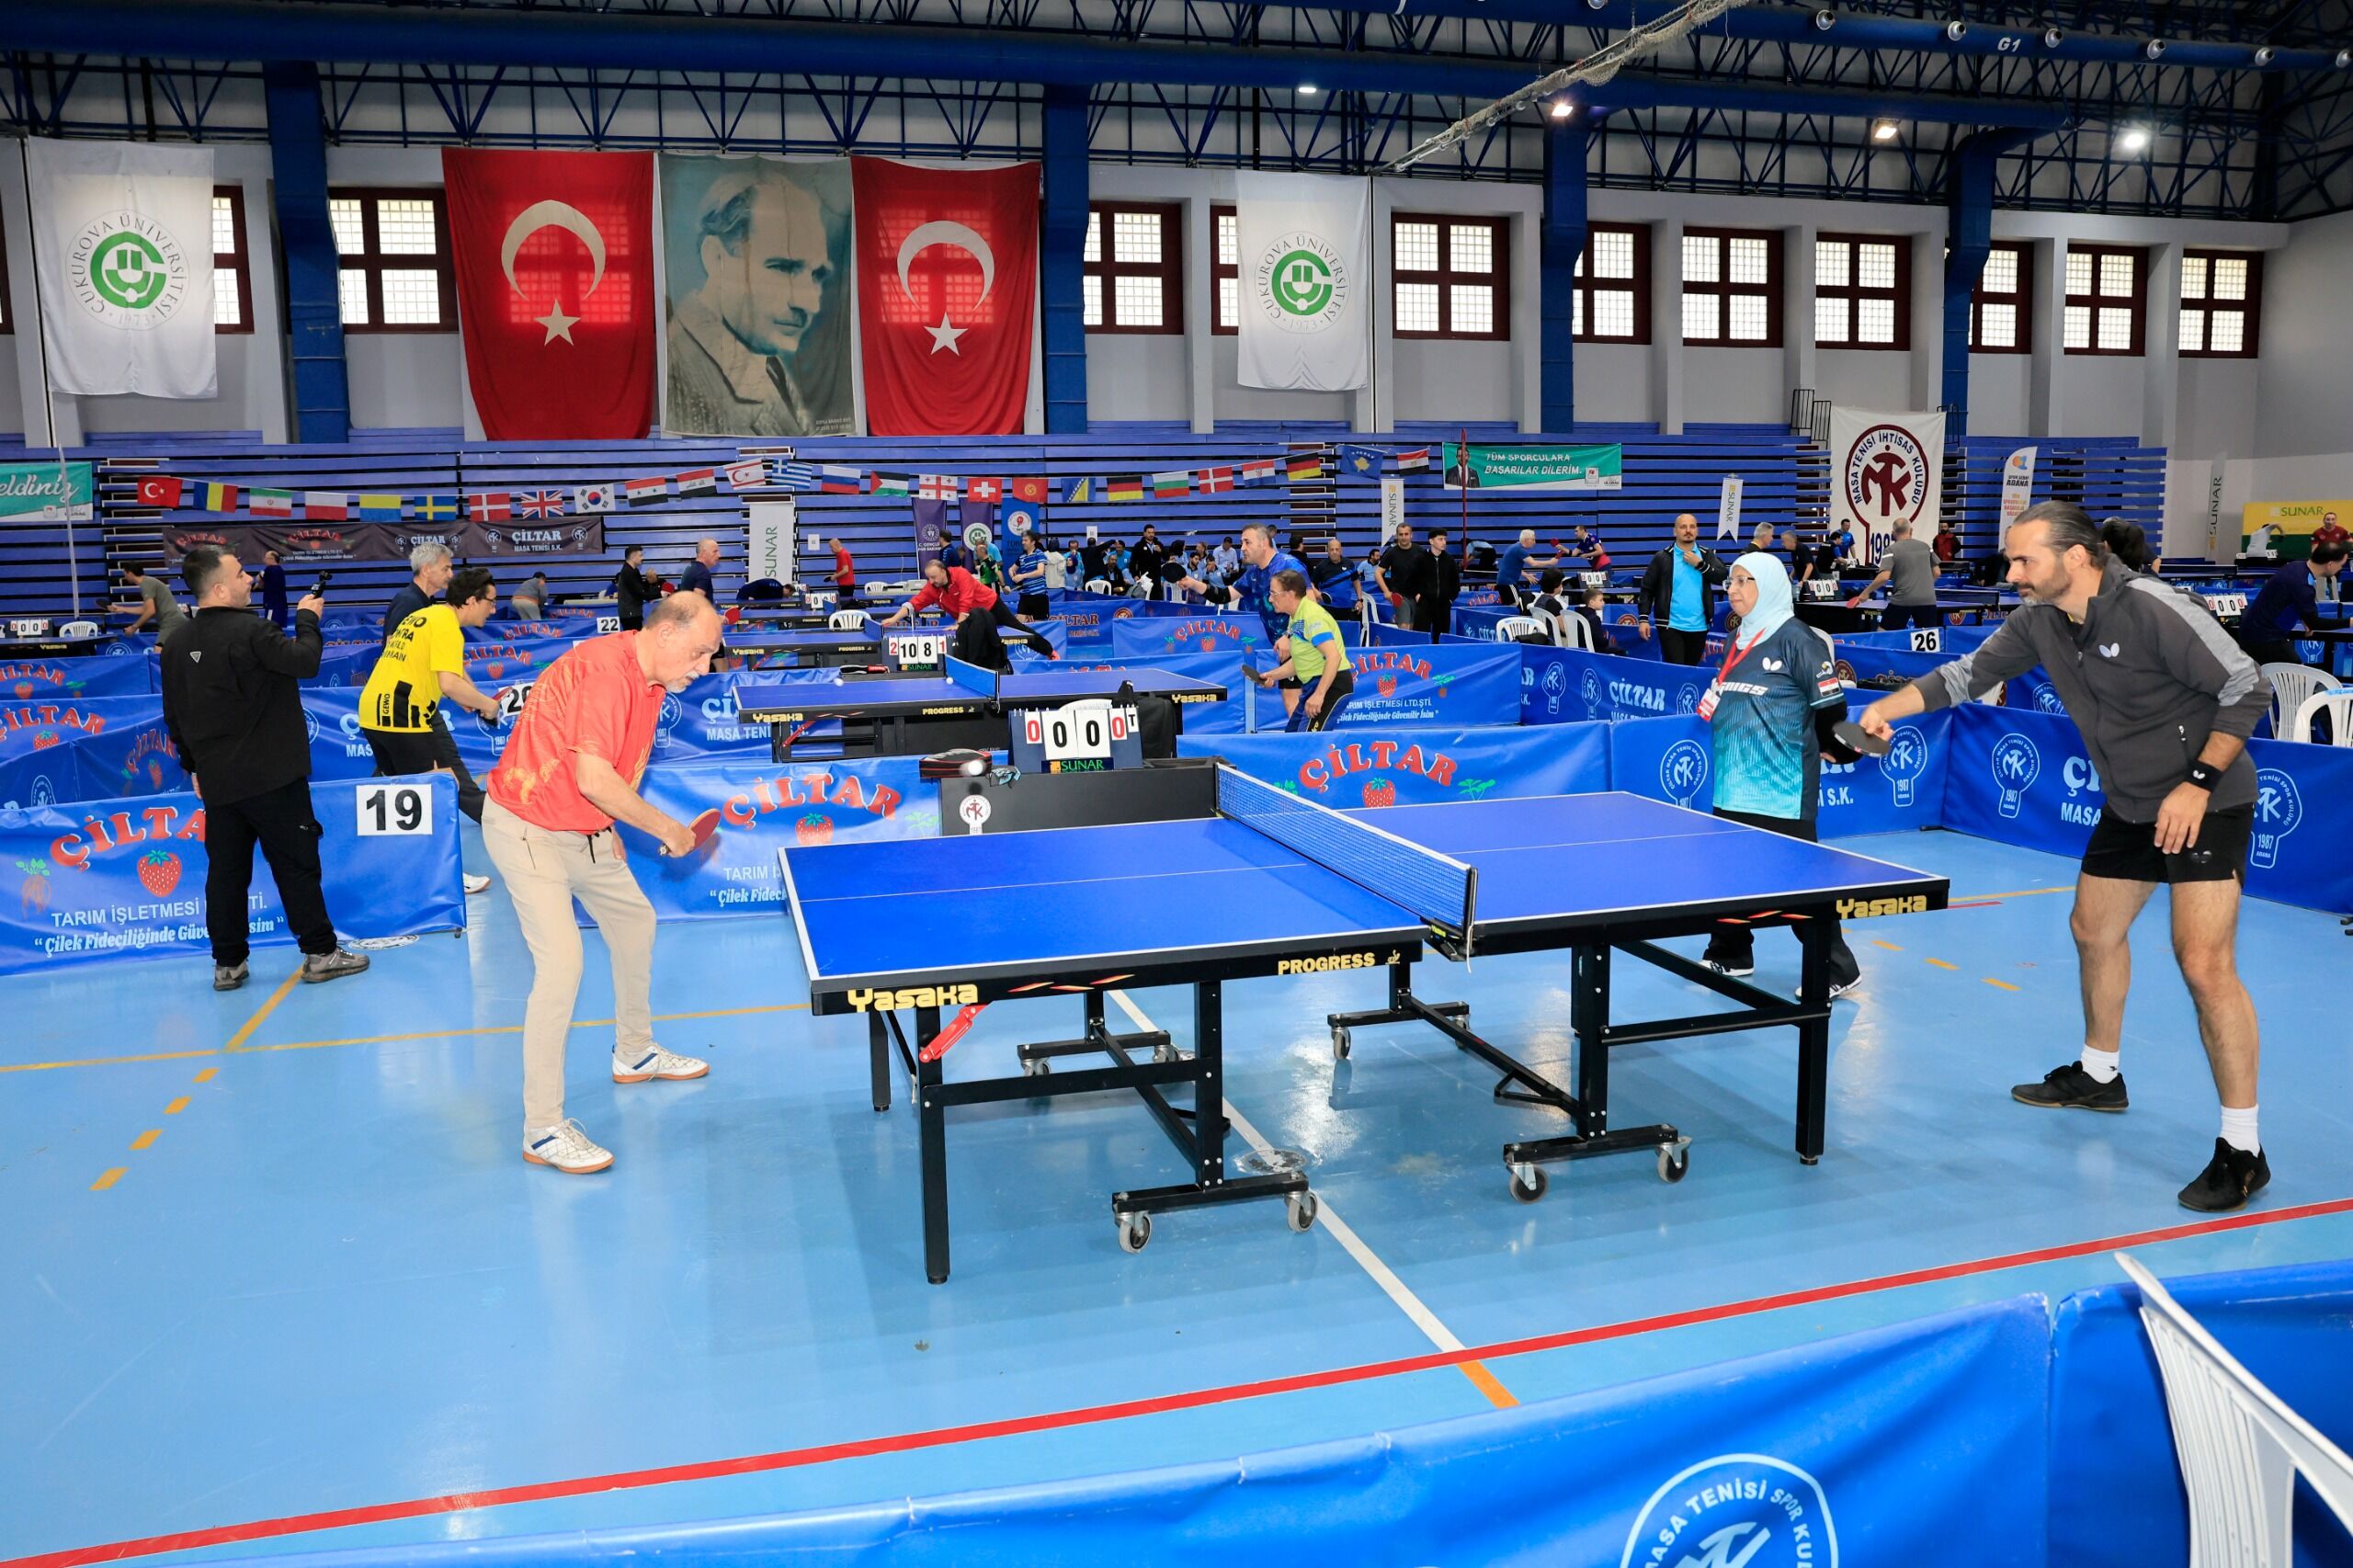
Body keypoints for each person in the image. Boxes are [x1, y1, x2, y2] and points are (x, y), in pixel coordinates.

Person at [1856, 502, 2273, 1212]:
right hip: (2131, 801)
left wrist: (2198, 784)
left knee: (2204, 963)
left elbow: (2248, 685)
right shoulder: (2039, 620)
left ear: (2076, 558)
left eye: (2025, 560)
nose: (2012, 572)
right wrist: (1884, 710)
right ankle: (2100, 1074)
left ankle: (2243, 1149)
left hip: (2207, 797)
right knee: (2093, 929)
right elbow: (1964, 676)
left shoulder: (2152, 608)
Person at [483, 593, 725, 1176]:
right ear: (666, 634)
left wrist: (609, 823)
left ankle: (635, 1052)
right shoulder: (606, 674)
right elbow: (594, 778)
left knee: (635, 922)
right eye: (699, 653)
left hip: (586, 830)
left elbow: (608, 774)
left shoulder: (652, 682)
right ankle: (542, 1128)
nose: (704, 668)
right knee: (562, 967)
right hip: (529, 829)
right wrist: (668, 829)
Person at [158, 547, 369, 993]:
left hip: (219, 781)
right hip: (273, 777)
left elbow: (174, 714)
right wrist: (308, 619)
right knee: (296, 866)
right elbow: (305, 661)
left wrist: (193, 765)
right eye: (240, 574)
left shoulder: (175, 644)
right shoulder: (254, 630)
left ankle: (228, 963)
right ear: (219, 588)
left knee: (226, 874)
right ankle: (320, 952)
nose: (249, 579)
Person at [1698, 552, 1862, 997]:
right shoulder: (1737, 638)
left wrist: (1839, 745)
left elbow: (1830, 707)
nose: (1732, 589)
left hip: (1782, 787)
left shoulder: (1798, 639)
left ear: (1769, 585)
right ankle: (1732, 951)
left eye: (1743, 581)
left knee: (1797, 882)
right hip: (1733, 783)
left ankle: (1836, 968)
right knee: (1731, 874)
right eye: (1731, 581)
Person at [665, 165, 847, 437]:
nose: (810, 305)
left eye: (816, 275)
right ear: (716, 259)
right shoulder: (677, 370)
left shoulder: (766, 359)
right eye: (783, 267)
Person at [361, 567, 503, 896]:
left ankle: (399, 870)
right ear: (472, 601)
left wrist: (466, 694)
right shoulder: (447, 627)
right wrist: (487, 704)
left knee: (401, 796)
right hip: (402, 714)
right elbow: (449, 683)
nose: (494, 610)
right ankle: (446, 875)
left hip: (372, 711)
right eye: (491, 602)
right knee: (442, 788)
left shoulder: (426, 616)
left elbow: (439, 672)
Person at [1176, 522, 1309, 716]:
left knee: (1305, 705)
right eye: (1242, 543)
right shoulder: (1253, 573)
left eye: (1247, 542)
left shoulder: (1289, 566)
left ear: (1263, 543)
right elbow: (1224, 595)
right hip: (1287, 649)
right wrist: (1193, 583)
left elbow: (1310, 604)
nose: (1242, 548)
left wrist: (1290, 635)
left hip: (1306, 643)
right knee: (1293, 706)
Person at [1242, 570, 1354, 733]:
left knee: (1308, 742)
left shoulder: (1311, 615)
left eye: (1273, 593)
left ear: (1289, 594)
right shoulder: (1296, 617)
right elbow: (1299, 662)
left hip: (1332, 685)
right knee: (1292, 738)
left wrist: (1319, 695)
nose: (1270, 599)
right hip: (1313, 685)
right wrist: (1271, 675)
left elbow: (1333, 656)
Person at [879, 558, 1055, 656]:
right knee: (977, 642)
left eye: (934, 577)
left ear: (944, 571)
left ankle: (1049, 651)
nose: (931, 581)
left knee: (1019, 630)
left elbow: (966, 601)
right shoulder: (932, 588)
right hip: (972, 616)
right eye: (928, 578)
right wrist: (894, 618)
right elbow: (913, 603)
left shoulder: (961, 574)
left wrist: (959, 623)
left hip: (991, 605)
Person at [1635, 513, 1729, 665]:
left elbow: (1722, 576)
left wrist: (1700, 565)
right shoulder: (1662, 557)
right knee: (1677, 669)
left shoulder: (1706, 555)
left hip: (1699, 626)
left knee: (1691, 670)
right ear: (1675, 531)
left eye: (1692, 526)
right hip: (1670, 626)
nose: (1688, 530)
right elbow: (1647, 589)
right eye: (1683, 527)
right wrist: (1643, 618)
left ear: (1697, 531)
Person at [2237, 541, 2347, 665]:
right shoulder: (2302, 585)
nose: (2341, 568)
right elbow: (2315, 623)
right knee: (2297, 675)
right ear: (2330, 565)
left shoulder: (2296, 567)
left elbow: (2290, 599)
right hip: (2264, 637)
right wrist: (2350, 622)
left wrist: (2305, 618)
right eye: (2341, 565)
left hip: (2254, 631)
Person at [1847, 517, 1941, 631]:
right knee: (1927, 635)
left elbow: (1884, 577)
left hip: (1903, 599)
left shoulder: (1891, 550)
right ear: (1911, 530)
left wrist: (1865, 593)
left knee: (1883, 633)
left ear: (1893, 533)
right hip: (1928, 600)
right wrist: (1923, 587)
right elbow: (1937, 572)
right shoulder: (1926, 547)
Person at [1375, 524, 1429, 630]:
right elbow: (1378, 573)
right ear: (1397, 536)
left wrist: (1422, 592)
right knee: (1404, 626)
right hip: (1399, 595)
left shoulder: (1419, 551)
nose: (1404, 537)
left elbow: (1427, 572)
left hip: (1416, 596)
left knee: (1413, 627)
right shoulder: (1391, 553)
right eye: (1401, 534)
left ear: (1411, 535)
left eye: (1406, 534)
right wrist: (1386, 591)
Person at [116, 560, 187, 641]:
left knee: (158, 648)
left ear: (131, 573)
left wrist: (133, 627)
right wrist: (121, 608)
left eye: (125, 574)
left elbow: (150, 611)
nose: (125, 577)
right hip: (174, 621)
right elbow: (144, 609)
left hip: (171, 622)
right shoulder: (147, 582)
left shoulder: (146, 584)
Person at [1495, 528, 1562, 606]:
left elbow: (1511, 566)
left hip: (1504, 582)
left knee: (1511, 606)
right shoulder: (1519, 550)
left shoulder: (1514, 547)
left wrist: (1526, 575)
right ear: (1527, 540)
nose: (1534, 542)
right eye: (1533, 540)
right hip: (1508, 583)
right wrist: (1550, 562)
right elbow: (1533, 563)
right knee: (1517, 605)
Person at [1419, 528, 1462, 642]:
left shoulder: (1449, 560)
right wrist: (1418, 595)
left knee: (1442, 635)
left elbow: (1455, 583)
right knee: (1422, 633)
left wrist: (1450, 599)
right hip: (1425, 603)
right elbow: (1413, 579)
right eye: (1440, 539)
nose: (1444, 542)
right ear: (1431, 541)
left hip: (1443, 604)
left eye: (1445, 539)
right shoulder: (1420, 558)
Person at [1309, 535, 1359, 616]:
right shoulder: (1321, 566)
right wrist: (1318, 594)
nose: (1334, 552)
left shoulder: (1349, 563)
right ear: (1328, 551)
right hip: (1327, 607)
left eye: (1337, 549)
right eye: (1332, 549)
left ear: (1341, 550)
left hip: (1346, 606)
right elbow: (1311, 584)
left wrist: (1360, 600)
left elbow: (1356, 581)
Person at [612, 544, 655, 631]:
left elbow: (640, 587)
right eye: (640, 556)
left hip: (634, 612)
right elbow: (638, 592)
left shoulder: (634, 571)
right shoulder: (628, 572)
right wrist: (658, 595)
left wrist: (649, 580)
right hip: (630, 614)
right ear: (633, 557)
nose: (642, 558)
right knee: (633, 637)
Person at [1010, 535, 1052, 619]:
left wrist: (1022, 576)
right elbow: (1011, 569)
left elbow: (1040, 572)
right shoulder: (1022, 557)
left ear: (1033, 542)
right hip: (1025, 595)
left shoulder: (1039, 554)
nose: (1023, 542)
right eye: (1022, 540)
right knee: (1019, 622)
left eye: (1026, 540)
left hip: (1039, 595)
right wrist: (1013, 577)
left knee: (1039, 624)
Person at [2313, 512, 2348, 603]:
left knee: (2333, 583)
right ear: (2324, 520)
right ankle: (2320, 604)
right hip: (2322, 563)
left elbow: (2349, 542)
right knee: (2321, 583)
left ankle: (2336, 603)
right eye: (2328, 519)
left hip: (2335, 563)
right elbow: (2314, 549)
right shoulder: (2317, 533)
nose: (2330, 522)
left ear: (2335, 521)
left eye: (2332, 519)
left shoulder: (2341, 531)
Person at [1128, 525, 1167, 601]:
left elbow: (1167, 557)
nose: (1151, 534)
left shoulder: (1158, 544)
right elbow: (1133, 562)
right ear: (1144, 533)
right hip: (1144, 577)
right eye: (1149, 532)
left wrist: (1161, 551)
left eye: (1153, 532)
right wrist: (1134, 575)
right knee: (1145, 598)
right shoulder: (1139, 545)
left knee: (1156, 599)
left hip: (1156, 576)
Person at [677, 537, 722, 601]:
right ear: (703, 553)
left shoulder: (690, 568)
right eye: (715, 551)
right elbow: (697, 602)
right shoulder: (703, 573)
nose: (719, 555)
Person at [258, 549, 290, 631]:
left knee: (269, 628)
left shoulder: (269, 569)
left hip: (272, 605)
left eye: (266, 558)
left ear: (272, 559)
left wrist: (259, 577)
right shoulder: (280, 570)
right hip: (281, 604)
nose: (264, 560)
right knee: (281, 629)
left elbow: (259, 582)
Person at [829, 537, 857, 604]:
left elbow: (845, 570)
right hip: (846, 585)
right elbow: (841, 569)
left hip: (846, 586)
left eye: (831, 547)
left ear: (836, 545)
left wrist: (835, 577)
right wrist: (834, 576)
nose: (831, 549)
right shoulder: (841, 554)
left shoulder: (842, 554)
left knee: (845, 606)